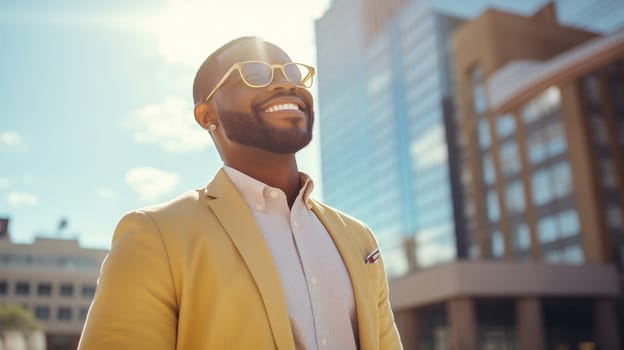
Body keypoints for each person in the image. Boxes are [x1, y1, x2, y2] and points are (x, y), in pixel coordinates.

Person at [78, 36, 402, 350]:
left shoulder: (360, 239)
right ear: (207, 116)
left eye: (292, 73)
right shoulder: (155, 235)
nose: (285, 84)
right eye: (254, 73)